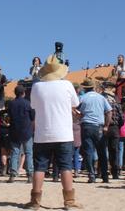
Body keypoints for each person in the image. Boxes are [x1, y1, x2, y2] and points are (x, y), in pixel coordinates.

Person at [25, 55, 80, 210]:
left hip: (42, 133)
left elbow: (34, 106)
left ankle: (35, 202)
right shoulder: (67, 85)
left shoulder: (36, 87)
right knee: (66, 167)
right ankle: (69, 202)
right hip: (64, 133)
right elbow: (75, 103)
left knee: (40, 167)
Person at [78, 78, 111, 183]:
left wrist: (79, 116)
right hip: (99, 127)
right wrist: (106, 125)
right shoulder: (101, 98)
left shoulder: (82, 98)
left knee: (88, 152)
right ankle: (104, 176)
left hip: (86, 125)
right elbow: (109, 111)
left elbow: (74, 108)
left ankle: (91, 175)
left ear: (85, 88)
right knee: (102, 152)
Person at [7, 85, 34, 183]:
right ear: (23, 93)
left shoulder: (11, 104)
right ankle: (30, 174)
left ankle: (12, 174)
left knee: (14, 153)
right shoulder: (28, 103)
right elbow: (32, 117)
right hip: (26, 131)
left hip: (14, 131)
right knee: (29, 153)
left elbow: (9, 115)